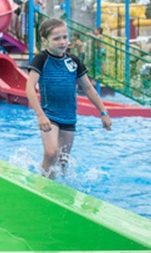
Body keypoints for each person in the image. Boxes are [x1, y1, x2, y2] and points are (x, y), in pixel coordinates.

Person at [25, 18, 112, 179]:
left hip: (69, 117)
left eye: (65, 37)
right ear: (44, 41)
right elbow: (29, 87)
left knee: (62, 162)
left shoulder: (73, 61)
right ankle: (40, 185)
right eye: (56, 38)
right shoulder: (41, 59)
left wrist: (103, 112)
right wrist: (40, 115)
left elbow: (88, 88)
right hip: (49, 115)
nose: (62, 42)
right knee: (51, 153)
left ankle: (52, 189)